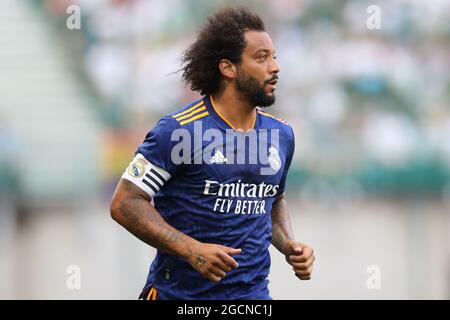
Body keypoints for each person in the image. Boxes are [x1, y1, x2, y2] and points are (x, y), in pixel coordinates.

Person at [110, 6, 315, 300]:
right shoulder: (178, 132)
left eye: (274, 56)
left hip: (251, 297)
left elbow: (272, 200)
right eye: (261, 58)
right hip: (178, 296)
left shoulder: (281, 136)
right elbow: (125, 203)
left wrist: (289, 245)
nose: (275, 67)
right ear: (228, 68)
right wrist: (190, 249)